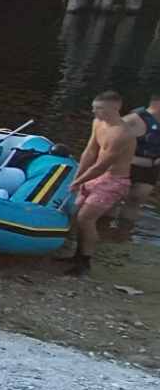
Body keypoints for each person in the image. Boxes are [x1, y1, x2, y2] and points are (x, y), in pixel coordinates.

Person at [66, 91, 140, 277]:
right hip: (96, 177)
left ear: (115, 108)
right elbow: (90, 152)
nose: (94, 112)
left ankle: (85, 262)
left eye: (99, 108)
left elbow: (101, 165)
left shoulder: (122, 134)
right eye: (94, 108)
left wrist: (78, 182)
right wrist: (78, 175)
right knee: (77, 214)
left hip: (114, 180)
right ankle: (76, 255)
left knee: (86, 218)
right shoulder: (97, 123)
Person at [120, 93, 160, 226]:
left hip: (150, 170)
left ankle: (123, 235)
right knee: (112, 200)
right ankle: (103, 231)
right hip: (126, 166)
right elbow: (108, 141)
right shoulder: (133, 119)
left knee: (136, 200)